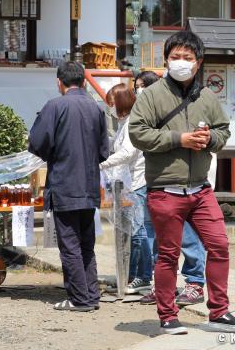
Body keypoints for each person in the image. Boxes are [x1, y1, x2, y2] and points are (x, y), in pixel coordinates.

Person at [129, 31, 231, 335]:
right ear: (166, 59)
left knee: (220, 246)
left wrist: (210, 138)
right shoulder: (151, 95)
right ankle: (168, 315)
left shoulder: (207, 97)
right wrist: (179, 139)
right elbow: (137, 133)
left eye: (188, 57)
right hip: (165, 189)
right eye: (176, 56)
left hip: (200, 189)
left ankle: (219, 312)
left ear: (198, 63)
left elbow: (223, 131)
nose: (181, 62)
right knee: (169, 255)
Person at [28, 61, 109, 312]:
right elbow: (104, 151)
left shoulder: (55, 106)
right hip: (88, 184)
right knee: (86, 244)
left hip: (65, 183)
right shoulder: (96, 109)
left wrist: (57, 153)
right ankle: (91, 295)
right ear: (84, 82)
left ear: (59, 82)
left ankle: (79, 299)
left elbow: (37, 142)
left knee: (70, 245)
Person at [135, 71, 207, 307]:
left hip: (185, 186)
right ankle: (163, 286)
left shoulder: (189, 106)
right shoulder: (146, 113)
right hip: (156, 184)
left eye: (141, 87)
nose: (139, 92)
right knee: (161, 240)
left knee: (187, 237)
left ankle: (195, 282)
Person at [100, 83, 152, 294]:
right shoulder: (123, 122)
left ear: (121, 102)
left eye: (112, 103)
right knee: (129, 232)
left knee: (139, 232)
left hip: (137, 183)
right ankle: (129, 274)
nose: (110, 108)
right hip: (126, 185)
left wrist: (103, 163)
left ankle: (144, 276)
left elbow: (128, 153)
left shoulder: (132, 123)